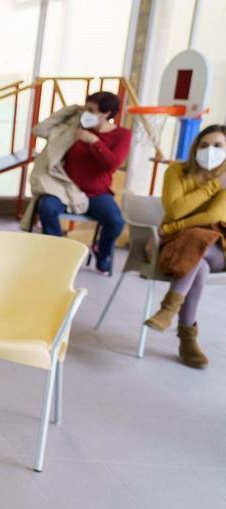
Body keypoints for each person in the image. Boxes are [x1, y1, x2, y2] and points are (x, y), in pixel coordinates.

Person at [142, 124, 226, 369]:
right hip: (179, 246)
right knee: (197, 263)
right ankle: (187, 339)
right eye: (204, 145)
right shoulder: (177, 171)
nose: (210, 150)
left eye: (218, 146)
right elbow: (174, 209)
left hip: (217, 245)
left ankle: (168, 310)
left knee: (199, 239)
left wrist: (172, 227)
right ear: (195, 147)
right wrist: (213, 186)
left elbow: (215, 214)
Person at [34, 91, 131, 273]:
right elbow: (39, 130)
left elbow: (112, 164)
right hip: (65, 190)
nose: (86, 113)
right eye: (85, 108)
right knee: (47, 207)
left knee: (115, 221)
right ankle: (57, 255)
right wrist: (71, 110)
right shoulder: (75, 128)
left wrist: (94, 142)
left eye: (91, 110)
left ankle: (102, 253)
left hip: (97, 193)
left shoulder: (122, 135)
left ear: (107, 114)